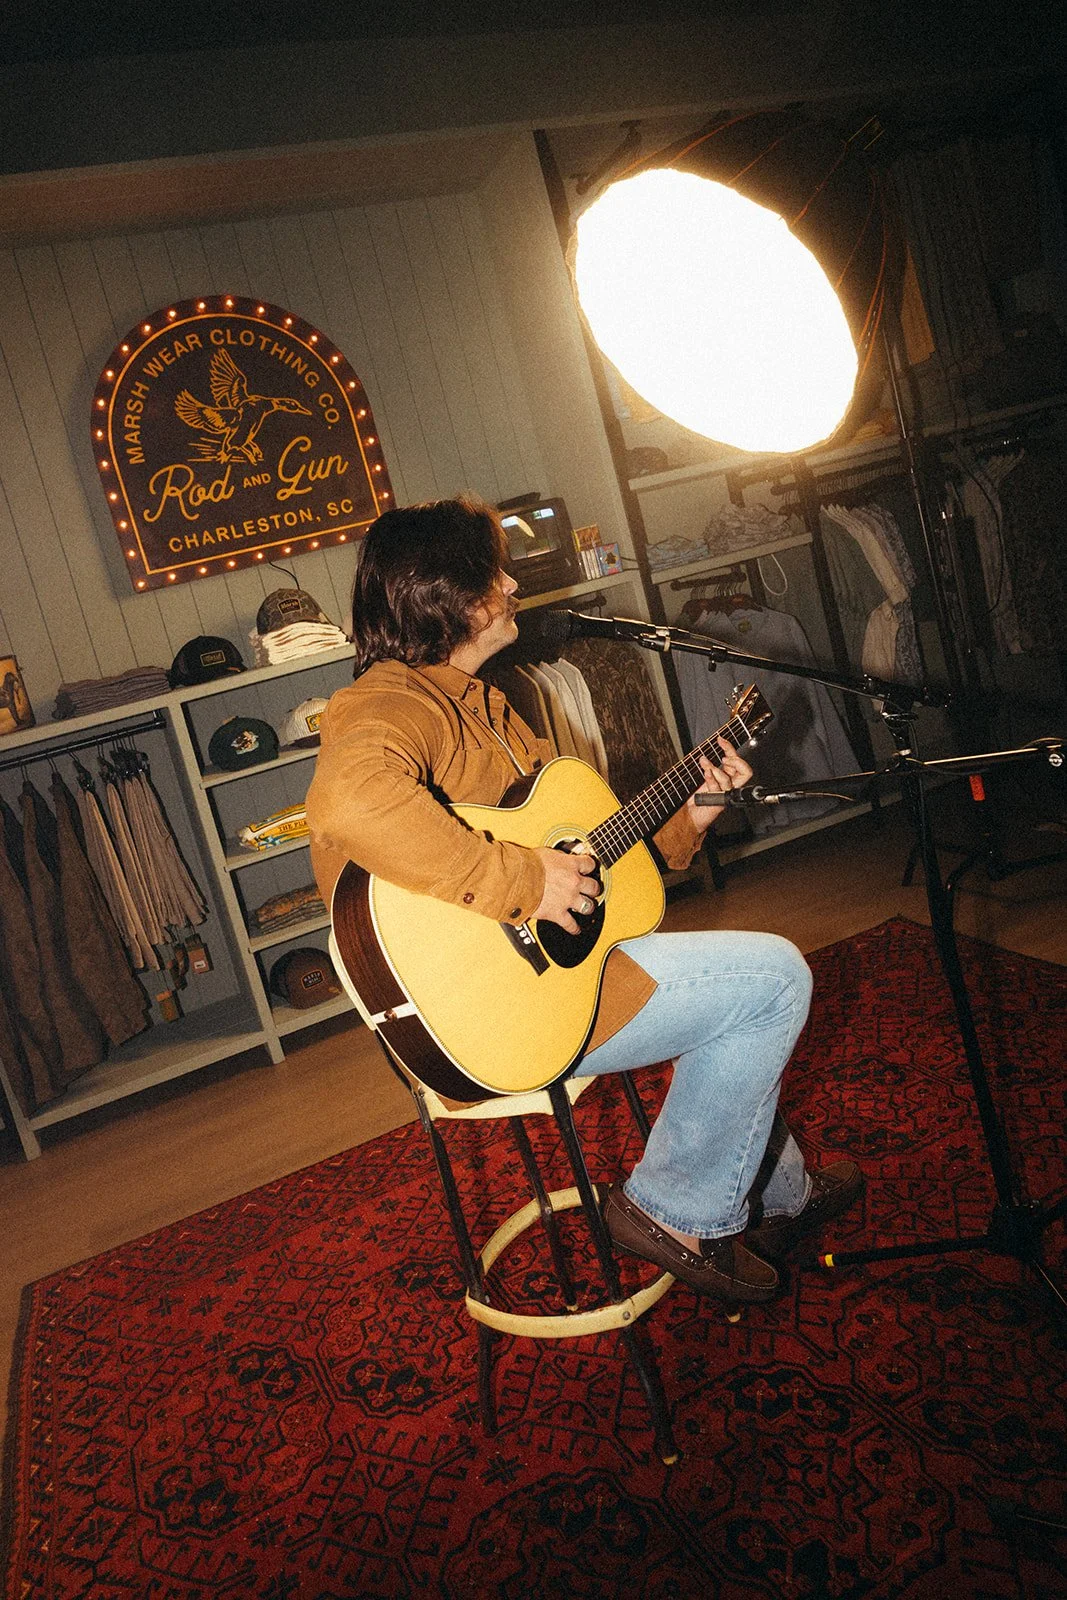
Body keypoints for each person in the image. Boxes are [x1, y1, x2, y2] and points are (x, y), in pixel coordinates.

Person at [306, 495, 863, 1303]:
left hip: (561, 975)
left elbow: (606, 859)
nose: (508, 582)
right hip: (493, 1012)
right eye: (491, 572)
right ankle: (672, 1210)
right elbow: (352, 804)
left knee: (733, 983)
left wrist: (697, 805)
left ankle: (783, 1196)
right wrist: (524, 880)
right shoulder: (389, 701)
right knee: (772, 980)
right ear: (450, 596)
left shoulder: (491, 703)